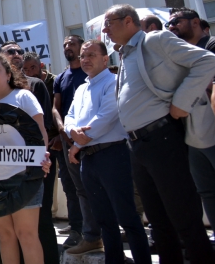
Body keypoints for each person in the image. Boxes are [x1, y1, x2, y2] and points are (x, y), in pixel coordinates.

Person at [102, 3, 215, 264]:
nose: (104, 30)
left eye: (109, 23)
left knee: (184, 217)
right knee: (158, 221)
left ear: (129, 22)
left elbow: (208, 61)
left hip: (163, 138)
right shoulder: (125, 54)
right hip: (138, 146)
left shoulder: (155, 40)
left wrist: (182, 101)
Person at [64, 40, 151, 263]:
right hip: (88, 159)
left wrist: (79, 141)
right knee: (103, 219)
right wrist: (72, 131)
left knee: (128, 217)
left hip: (113, 155)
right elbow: (69, 117)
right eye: (83, 56)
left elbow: (106, 116)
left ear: (105, 59)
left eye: (91, 55)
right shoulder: (82, 87)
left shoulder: (113, 83)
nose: (85, 60)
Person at [0, 53, 51, 264]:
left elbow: (40, 132)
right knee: (5, 236)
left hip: (23, 177)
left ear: (8, 74)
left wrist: (42, 157)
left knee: (27, 236)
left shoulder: (23, 97)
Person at [167, 7, 215, 254]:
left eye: (176, 22)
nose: (172, 27)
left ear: (196, 22)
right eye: (169, 24)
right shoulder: (180, 56)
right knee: (208, 192)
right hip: (193, 138)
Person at [51, 35, 101, 253]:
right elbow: (56, 108)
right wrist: (63, 130)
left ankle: (102, 232)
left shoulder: (92, 74)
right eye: (64, 45)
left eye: (72, 44)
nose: (67, 47)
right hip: (68, 139)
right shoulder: (61, 78)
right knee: (75, 188)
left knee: (97, 187)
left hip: (94, 138)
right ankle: (80, 231)